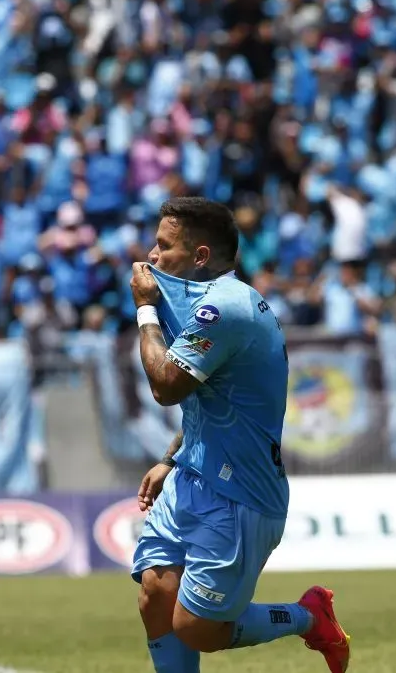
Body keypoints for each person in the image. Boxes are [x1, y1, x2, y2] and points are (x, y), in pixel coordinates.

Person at [128, 197, 350, 673]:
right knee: (155, 595)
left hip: (239, 494)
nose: (152, 255)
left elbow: (166, 386)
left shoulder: (226, 308)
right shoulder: (209, 303)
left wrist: (145, 312)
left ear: (201, 256)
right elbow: (209, 400)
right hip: (193, 477)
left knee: (198, 629)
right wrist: (171, 458)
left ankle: (308, 616)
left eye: (164, 246)